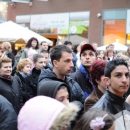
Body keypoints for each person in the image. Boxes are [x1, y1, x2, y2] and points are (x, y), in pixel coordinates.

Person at [92, 59, 130, 130]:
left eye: (127, 75)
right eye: (118, 75)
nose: (124, 80)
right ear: (107, 80)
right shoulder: (99, 113)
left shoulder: (126, 105)